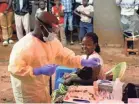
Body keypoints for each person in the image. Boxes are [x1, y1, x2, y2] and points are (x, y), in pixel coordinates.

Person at [8, 12, 100, 103]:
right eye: (52, 30)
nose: (54, 34)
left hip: (42, 88)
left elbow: (66, 57)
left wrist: (83, 61)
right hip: (27, 93)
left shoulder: (52, 42)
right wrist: (37, 71)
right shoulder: (24, 46)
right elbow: (15, 69)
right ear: (41, 27)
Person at [52, 32, 104, 103]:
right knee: (62, 86)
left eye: (88, 45)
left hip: (94, 87)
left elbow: (93, 80)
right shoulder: (85, 56)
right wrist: (71, 74)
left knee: (63, 90)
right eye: (83, 44)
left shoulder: (95, 59)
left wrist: (73, 79)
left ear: (95, 45)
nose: (84, 47)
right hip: (85, 81)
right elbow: (81, 71)